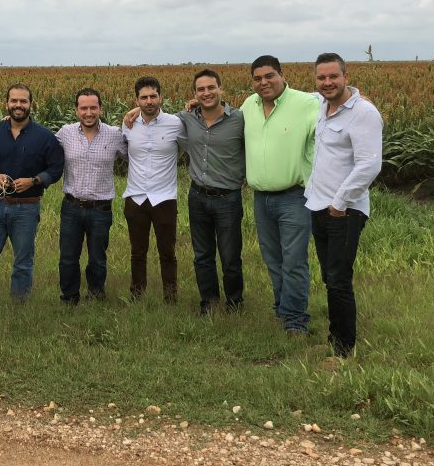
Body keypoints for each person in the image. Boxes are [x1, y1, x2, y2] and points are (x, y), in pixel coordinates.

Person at [305, 53, 383, 358]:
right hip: (318, 205)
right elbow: (291, 95)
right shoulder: (322, 105)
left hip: (344, 210)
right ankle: (334, 335)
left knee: (339, 279)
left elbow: (369, 165)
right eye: (321, 78)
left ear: (345, 76)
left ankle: (344, 348)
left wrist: (339, 203)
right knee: (329, 276)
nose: (327, 83)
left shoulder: (363, 113)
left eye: (333, 77)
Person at [242, 55, 319, 335]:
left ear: (282, 75)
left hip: (294, 197)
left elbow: (342, 104)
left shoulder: (307, 103)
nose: (264, 82)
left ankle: (296, 320)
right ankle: (282, 309)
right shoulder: (248, 106)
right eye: (258, 78)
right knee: (273, 259)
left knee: (294, 260)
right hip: (261, 199)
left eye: (269, 76)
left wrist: (362, 99)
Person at [0, 84, 64, 301]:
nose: (18, 105)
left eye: (23, 101)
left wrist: (34, 180)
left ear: (31, 105)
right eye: (14, 101)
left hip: (27, 207)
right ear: (7, 103)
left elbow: (56, 167)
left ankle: (19, 303)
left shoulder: (44, 136)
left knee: (23, 259)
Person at [181, 69, 246, 314]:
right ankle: (208, 302)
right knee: (202, 255)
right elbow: (154, 115)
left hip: (227, 198)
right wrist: (134, 111)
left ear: (221, 89)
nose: (206, 93)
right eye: (201, 89)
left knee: (230, 257)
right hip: (197, 196)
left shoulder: (240, 119)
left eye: (211, 88)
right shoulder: (187, 118)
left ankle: (234, 303)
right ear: (195, 94)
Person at [55, 88, 127, 305]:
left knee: (97, 258)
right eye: (84, 108)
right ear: (76, 110)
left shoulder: (114, 135)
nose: (89, 112)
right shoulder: (64, 133)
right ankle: (69, 298)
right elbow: (39, 144)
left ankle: (96, 296)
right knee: (68, 258)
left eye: (93, 107)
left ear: (100, 109)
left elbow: (136, 155)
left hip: (101, 208)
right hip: (72, 206)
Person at [122, 76, 185, 303]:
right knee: (138, 252)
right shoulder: (128, 124)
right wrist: (131, 113)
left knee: (167, 252)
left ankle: (171, 296)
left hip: (165, 198)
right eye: (143, 97)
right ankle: (137, 295)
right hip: (136, 197)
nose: (149, 101)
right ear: (136, 99)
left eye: (153, 96)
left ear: (161, 97)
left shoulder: (176, 123)